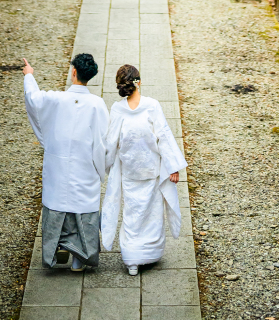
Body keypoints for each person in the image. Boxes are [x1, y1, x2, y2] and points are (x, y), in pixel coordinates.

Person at [23, 52, 109, 271]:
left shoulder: (56, 99)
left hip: (58, 165)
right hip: (85, 165)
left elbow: (34, 99)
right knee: (82, 209)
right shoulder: (97, 104)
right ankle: (80, 258)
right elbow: (102, 140)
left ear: (73, 72)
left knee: (58, 205)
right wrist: (102, 169)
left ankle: (58, 248)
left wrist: (29, 75)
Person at [101, 63, 187, 275]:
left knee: (133, 213)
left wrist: (106, 165)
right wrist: (173, 167)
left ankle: (132, 259)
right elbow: (163, 136)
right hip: (151, 170)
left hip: (130, 171)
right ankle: (149, 254)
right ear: (138, 82)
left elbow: (111, 142)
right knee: (152, 213)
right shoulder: (152, 105)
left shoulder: (117, 109)